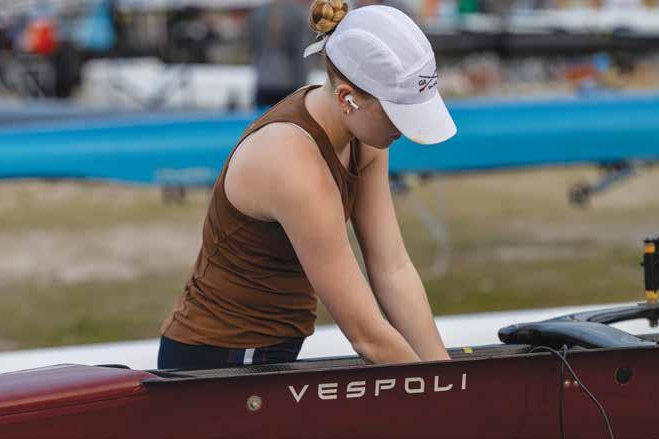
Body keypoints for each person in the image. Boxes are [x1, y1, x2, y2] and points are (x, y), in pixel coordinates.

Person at [158, 0, 457, 370]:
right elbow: (366, 334)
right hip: (220, 357)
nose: (404, 130)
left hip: (271, 348)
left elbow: (392, 268)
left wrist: (445, 373)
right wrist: (441, 392)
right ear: (347, 98)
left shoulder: (364, 134)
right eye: (397, 113)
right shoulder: (292, 164)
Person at [250, 0, 312, 107]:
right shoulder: (297, 13)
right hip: (289, 81)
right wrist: (303, 87)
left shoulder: (258, 13)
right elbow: (301, 52)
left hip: (263, 80)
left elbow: (254, 48)